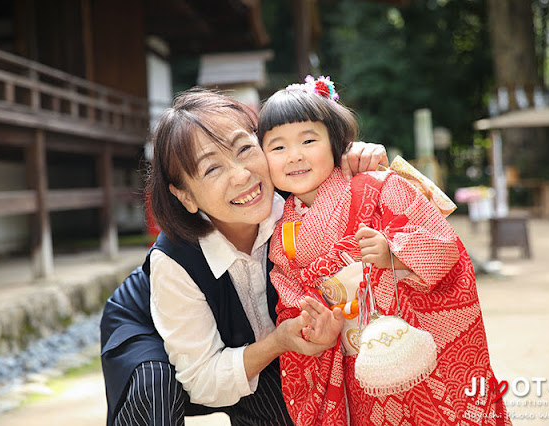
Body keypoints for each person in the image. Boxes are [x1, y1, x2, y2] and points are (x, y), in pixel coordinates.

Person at [100, 87, 389, 426]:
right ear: (185, 196)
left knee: (283, 395)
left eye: (244, 149)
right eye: (211, 169)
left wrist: (359, 159)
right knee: (153, 391)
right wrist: (278, 342)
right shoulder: (174, 259)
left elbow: (353, 182)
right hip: (153, 327)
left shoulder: (294, 193)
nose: (241, 175)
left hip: (252, 339)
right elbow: (203, 379)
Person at [257, 76, 510, 425]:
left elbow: (443, 243)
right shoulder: (281, 235)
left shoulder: (377, 185)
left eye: (309, 140)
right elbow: (292, 302)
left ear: (336, 143)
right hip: (356, 367)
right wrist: (314, 326)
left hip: (415, 344)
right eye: (278, 147)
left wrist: (394, 254)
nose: (295, 155)